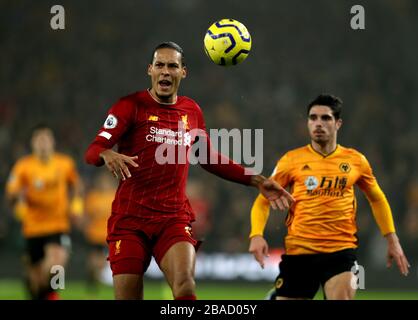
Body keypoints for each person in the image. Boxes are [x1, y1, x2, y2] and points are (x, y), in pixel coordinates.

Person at [84, 41, 294, 300]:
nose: (165, 71)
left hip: (172, 218)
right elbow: (92, 150)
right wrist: (106, 153)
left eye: (172, 65)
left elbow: (208, 158)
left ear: (183, 72)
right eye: (159, 65)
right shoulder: (130, 106)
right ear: (150, 69)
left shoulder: (191, 111)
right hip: (130, 221)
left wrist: (257, 180)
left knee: (185, 286)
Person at [249, 94, 410, 300]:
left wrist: (392, 239)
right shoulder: (291, 160)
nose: (318, 123)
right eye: (313, 118)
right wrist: (256, 234)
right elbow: (263, 200)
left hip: (341, 251)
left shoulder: (356, 161)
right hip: (300, 252)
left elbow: (376, 198)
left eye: (325, 118)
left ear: (338, 123)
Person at [6, 124, 83, 300]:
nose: (43, 143)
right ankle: (42, 294)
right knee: (36, 281)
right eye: (39, 139)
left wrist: (77, 206)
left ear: (52, 141)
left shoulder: (65, 163)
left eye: (46, 138)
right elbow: (11, 194)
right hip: (32, 228)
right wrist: (17, 198)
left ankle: (55, 295)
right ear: (33, 143)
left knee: (57, 265)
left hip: (58, 225)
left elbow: (77, 186)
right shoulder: (23, 167)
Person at [83, 170, 116, 296]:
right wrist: (86, 225)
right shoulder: (93, 197)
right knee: (93, 262)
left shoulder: (114, 196)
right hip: (95, 235)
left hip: (110, 235)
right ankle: (93, 282)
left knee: (102, 262)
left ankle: (98, 283)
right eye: (102, 182)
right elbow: (87, 215)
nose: (104, 184)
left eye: (106, 182)